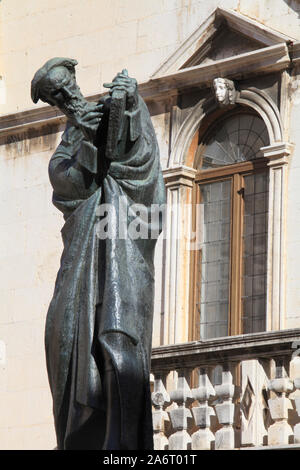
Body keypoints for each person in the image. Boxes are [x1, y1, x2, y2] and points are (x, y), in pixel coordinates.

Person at [31, 58, 166, 450]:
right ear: (53, 102)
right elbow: (68, 185)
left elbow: (137, 164)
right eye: (56, 93)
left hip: (120, 251)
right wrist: (86, 144)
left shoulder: (113, 111)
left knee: (117, 343)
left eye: (66, 84)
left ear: (75, 80)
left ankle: (120, 444)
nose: (66, 94)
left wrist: (130, 104)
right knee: (65, 337)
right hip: (81, 261)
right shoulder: (65, 148)